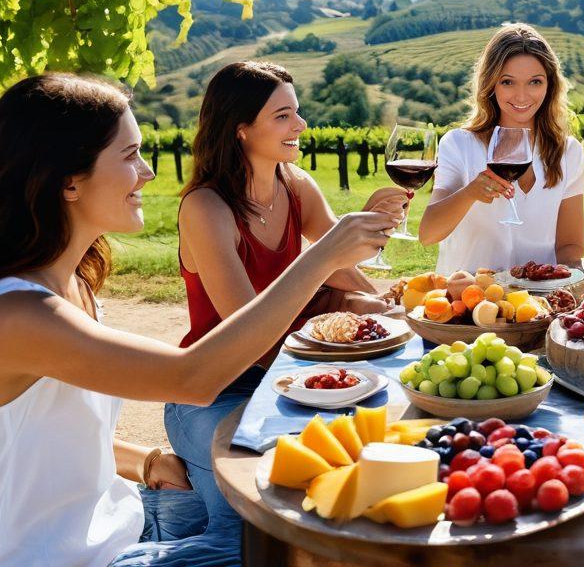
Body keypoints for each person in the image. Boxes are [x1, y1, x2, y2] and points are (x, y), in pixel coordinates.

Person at [0, 74, 398, 566]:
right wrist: (320, 259)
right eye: (130, 155)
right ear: (69, 180)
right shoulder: (14, 316)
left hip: (119, 524)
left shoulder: (71, 287)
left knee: (306, 502)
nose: (148, 172)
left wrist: (146, 460)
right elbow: (191, 378)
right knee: (292, 543)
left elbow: (48, 431)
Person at [167, 61, 407, 557]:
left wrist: (381, 291)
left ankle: (175, 507)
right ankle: (159, 518)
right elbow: (247, 337)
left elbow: (340, 265)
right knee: (245, 529)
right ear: (240, 129)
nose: (300, 124)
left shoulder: (295, 184)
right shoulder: (206, 208)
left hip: (286, 376)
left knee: (339, 480)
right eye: (283, 116)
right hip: (216, 391)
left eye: (296, 112)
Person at [419, 24, 584, 273]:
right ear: (491, 84)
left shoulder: (568, 152)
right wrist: (469, 194)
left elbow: (569, 245)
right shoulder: (459, 145)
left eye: (535, 82)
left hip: (539, 295)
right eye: (508, 82)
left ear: (550, 85)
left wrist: (571, 274)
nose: (522, 96)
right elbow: (428, 234)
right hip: (471, 293)